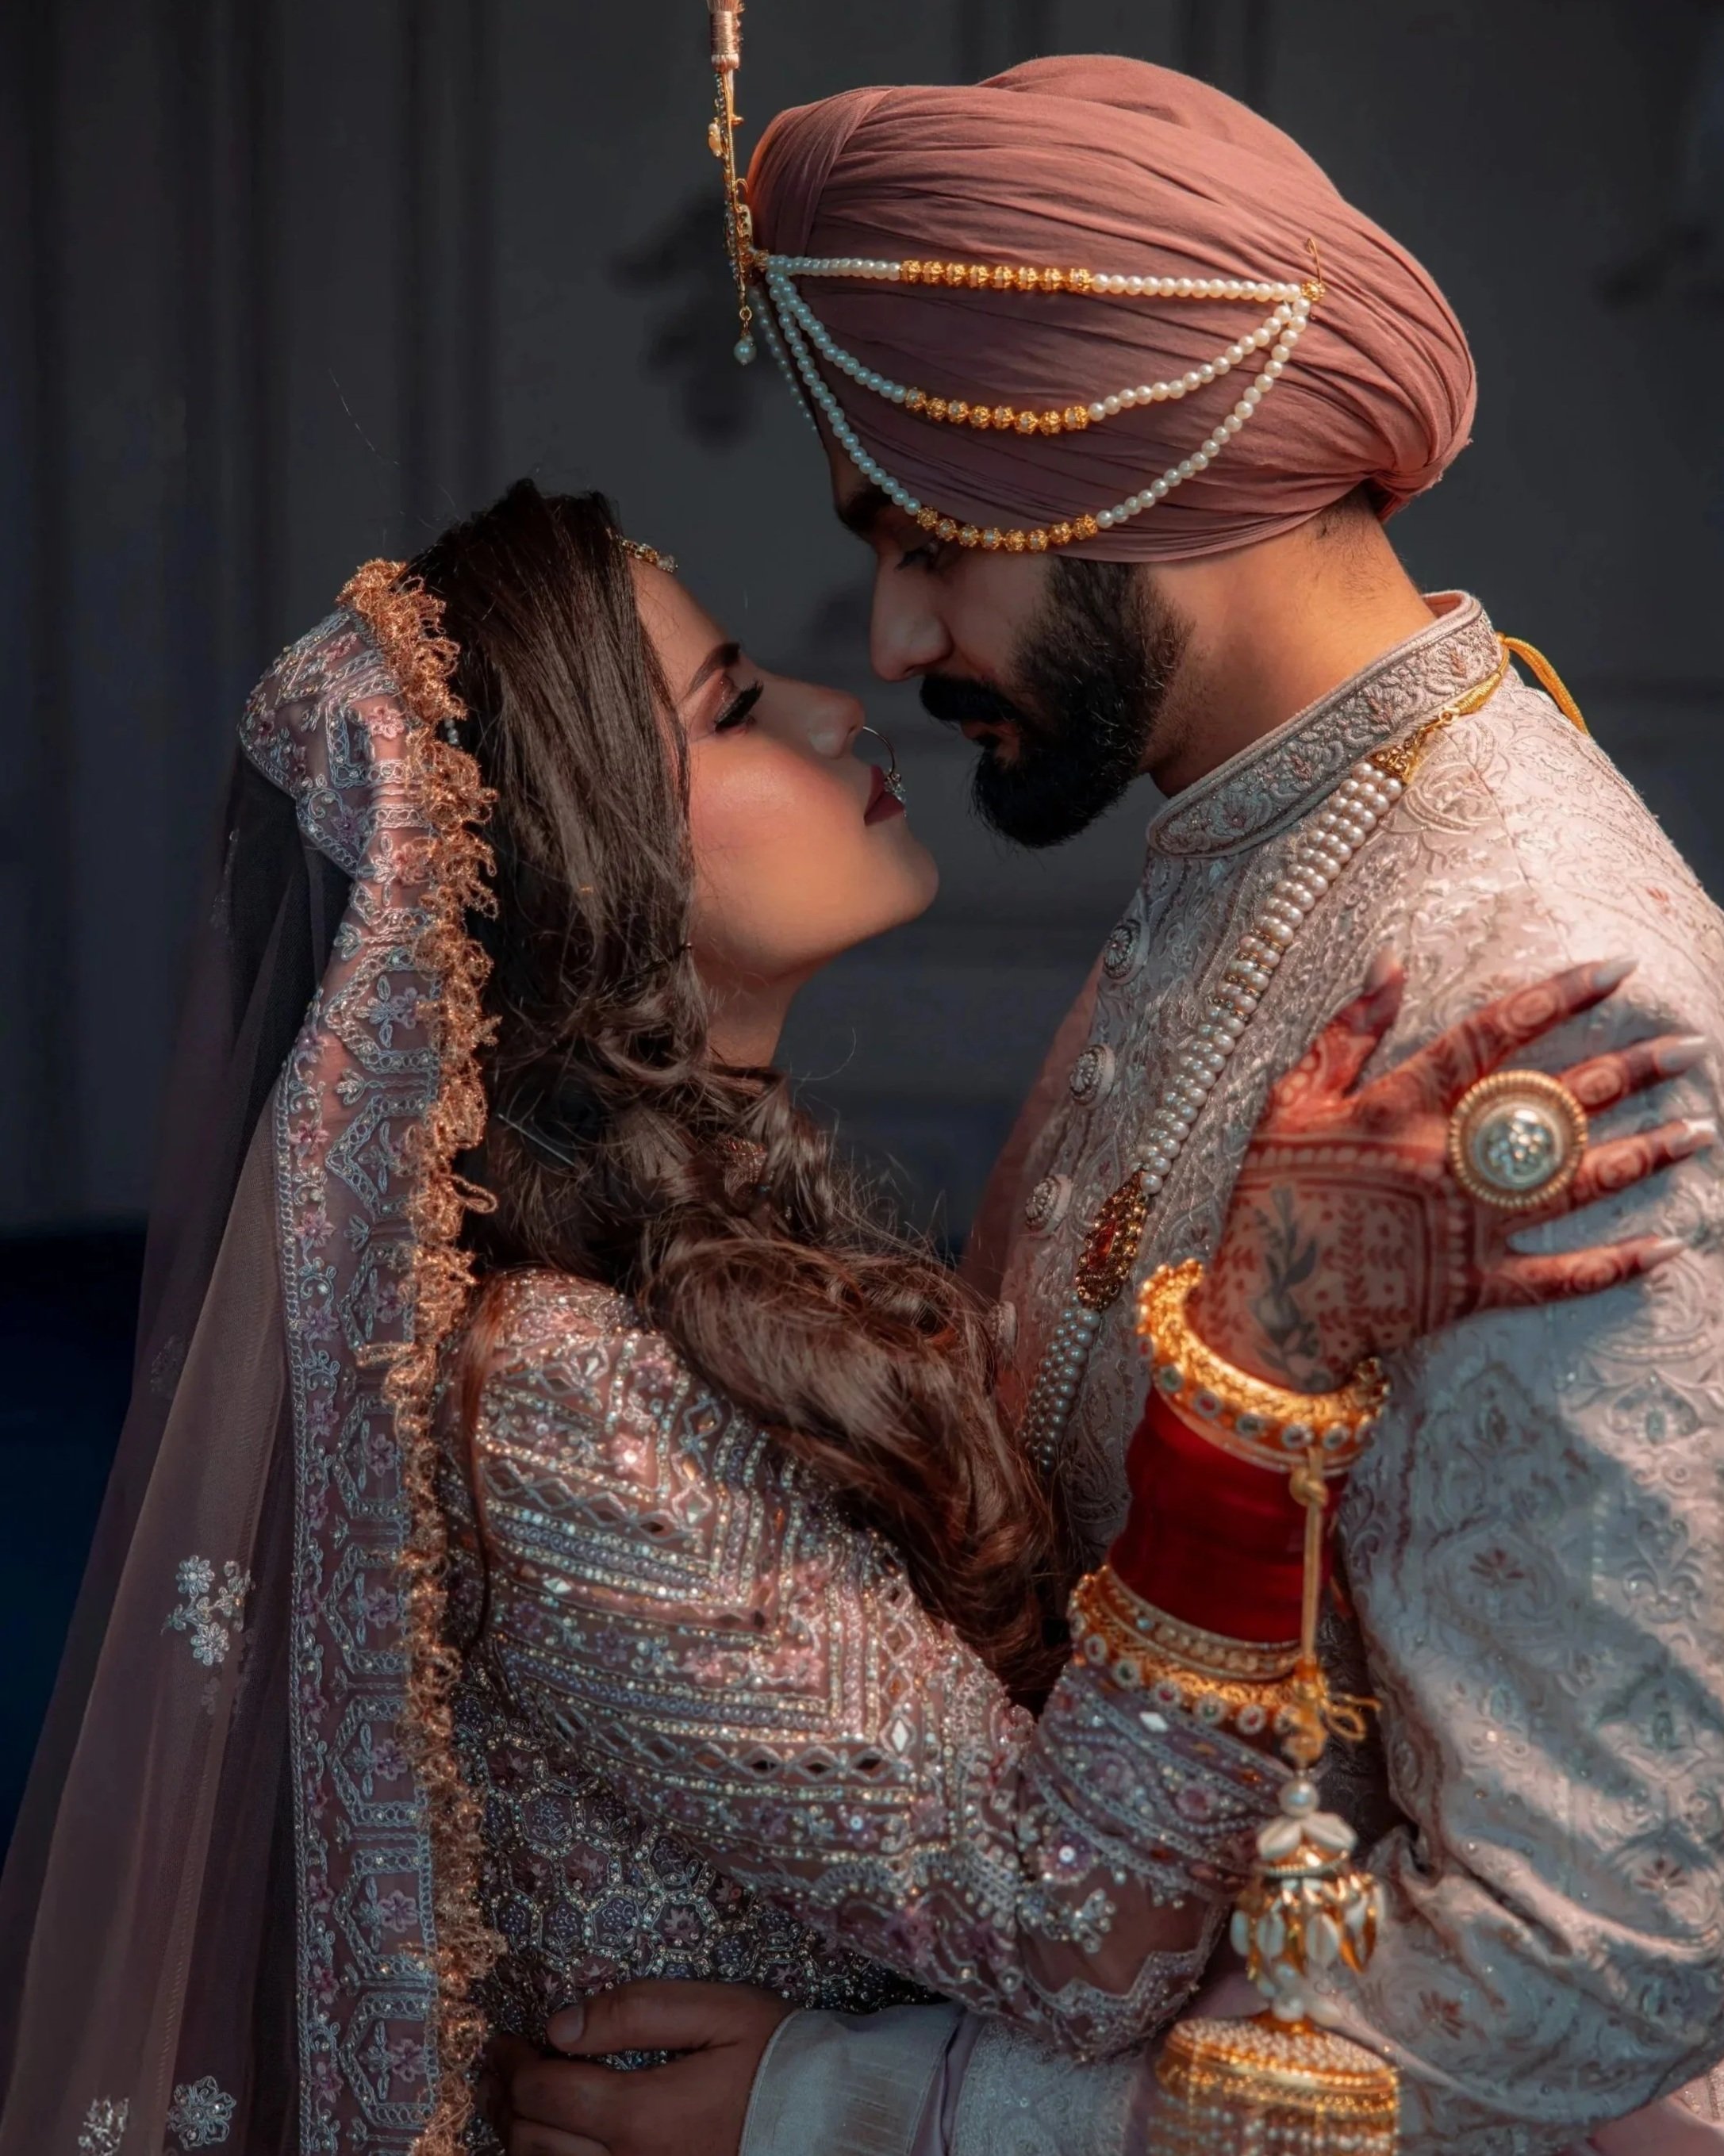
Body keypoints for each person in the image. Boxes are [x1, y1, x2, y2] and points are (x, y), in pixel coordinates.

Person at [0, 474, 1689, 2156]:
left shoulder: (726, 1274)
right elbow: (1077, 1934)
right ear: (590, 863)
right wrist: (1261, 1347)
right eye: (732, 709)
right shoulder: (553, 1388)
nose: (847, 693)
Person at [503, 45, 1724, 2156]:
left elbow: (1598, 1950)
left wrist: (866, 2103)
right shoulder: (1250, 833)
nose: (887, 641)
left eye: (920, 545)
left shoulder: (1526, 978)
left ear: (1130, 466)